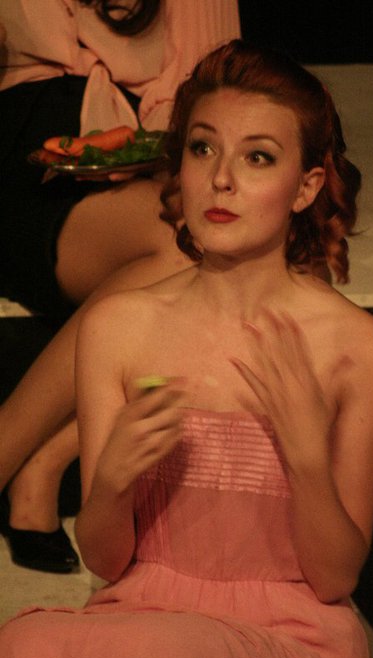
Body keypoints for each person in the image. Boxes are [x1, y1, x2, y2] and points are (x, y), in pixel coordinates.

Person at [0, 40, 373, 658]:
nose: (221, 178)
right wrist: (111, 482)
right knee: (24, 650)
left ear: (307, 187)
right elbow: (107, 562)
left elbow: (334, 577)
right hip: (144, 617)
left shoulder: (359, 350)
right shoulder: (118, 327)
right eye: (203, 149)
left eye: (258, 157)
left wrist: (306, 458)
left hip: (289, 642)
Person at [0, 0, 240, 571]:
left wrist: (163, 155)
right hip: (17, 160)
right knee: (190, 249)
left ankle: (40, 464)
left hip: (145, 157)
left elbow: (215, 86)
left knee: (206, 247)